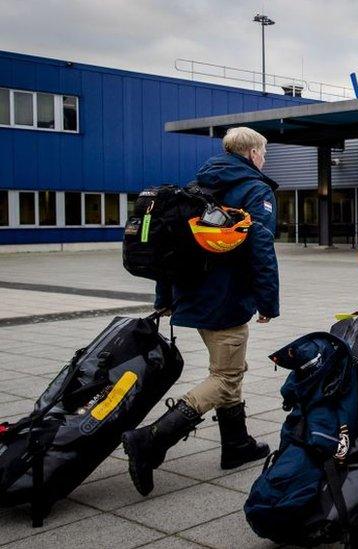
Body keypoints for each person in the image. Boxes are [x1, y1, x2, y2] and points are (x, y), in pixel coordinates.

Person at [122, 127, 280, 496]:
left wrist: (165, 296)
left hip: (191, 295)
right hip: (224, 300)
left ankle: (237, 443)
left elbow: (169, 249)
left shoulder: (195, 187)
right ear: (252, 153)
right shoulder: (255, 190)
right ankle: (151, 441)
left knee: (230, 368)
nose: (264, 159)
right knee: (225, 376)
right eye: (264, 153)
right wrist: (268, 302)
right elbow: (261, 248)